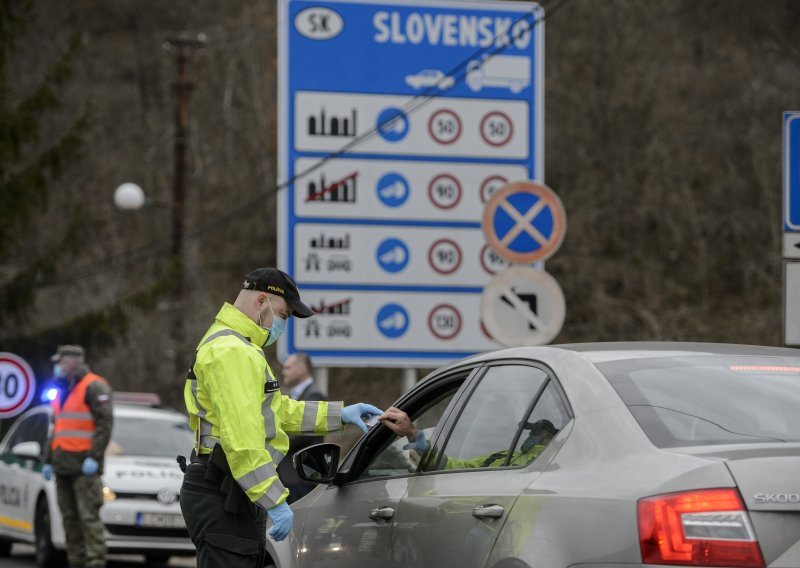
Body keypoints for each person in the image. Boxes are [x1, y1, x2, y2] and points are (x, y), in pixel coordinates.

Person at [180, 267, 382, 568]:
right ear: (262, 301)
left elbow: (277, 411)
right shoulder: (234, 352)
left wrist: (339, 414)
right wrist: (274, 500)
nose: (283, 324)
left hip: (227, 487)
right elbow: (243, 440)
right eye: (284, 315)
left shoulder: (236, 345)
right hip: (223, 487)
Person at [42, 345, 113, 568]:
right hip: (63, 466)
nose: (57, 367)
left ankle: (94, 563)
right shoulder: (62, 389)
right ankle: (76, 562)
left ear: (73, 362)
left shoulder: (94, 386)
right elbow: (57, 428)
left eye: (60, 362)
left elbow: (104, 424)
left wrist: (94, 456)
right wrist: (47, 460)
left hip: (84, 467)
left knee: (88, 519)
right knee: (70, 521)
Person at [379, 407, 558, 469]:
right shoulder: (502, 457)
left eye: (541, 431)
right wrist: (414, 436)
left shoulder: (550, 465)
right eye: (532, 430)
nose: (532, 435)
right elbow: (451, 468)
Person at [277, 352, 326, 504]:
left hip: (300, 475)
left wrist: (274, 440)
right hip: (291, 475)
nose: (284, 371)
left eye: (288, 367)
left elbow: (303, 433)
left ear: (301, 370)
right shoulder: (296, 395)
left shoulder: (314, 395)